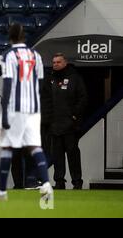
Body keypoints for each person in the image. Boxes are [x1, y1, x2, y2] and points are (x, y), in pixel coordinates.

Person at [0, 24, 53, 202]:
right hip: (33, 109)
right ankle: (46, 186)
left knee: (7, 148)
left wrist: (5, 113)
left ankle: (1, 193)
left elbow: (7, 85)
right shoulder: (35, 55)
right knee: (35, 147)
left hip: (15, 108)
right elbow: (41, 84)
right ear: (23, 37)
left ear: (10, 37)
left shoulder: (9, 55)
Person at [42, 53, 87, 190]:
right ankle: (59, 181)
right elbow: (45, 100)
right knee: (57, 156)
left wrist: (74, 116)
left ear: (65, 63)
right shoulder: (49, 79)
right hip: (54, 125)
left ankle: (77, 181)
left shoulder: (75, 78)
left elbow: (83, 98)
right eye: (54, 62)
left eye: (58, 62)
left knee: (73, 155)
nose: (55, 64)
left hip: (70, 125)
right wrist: (47, 120)